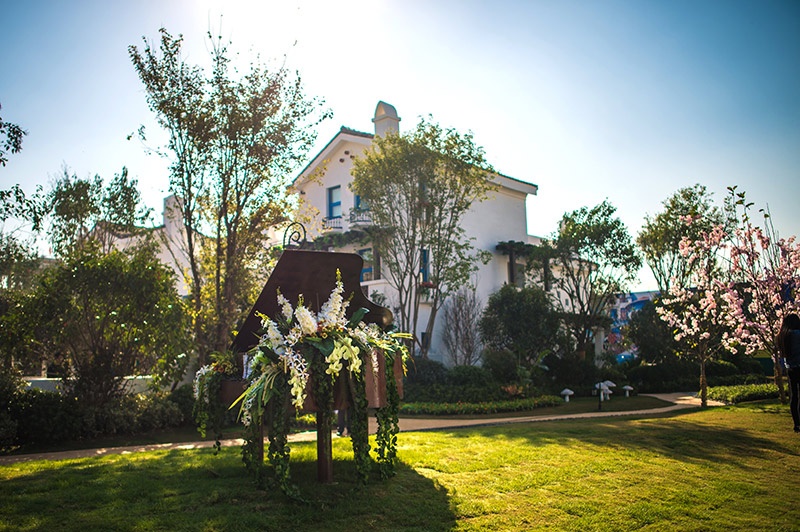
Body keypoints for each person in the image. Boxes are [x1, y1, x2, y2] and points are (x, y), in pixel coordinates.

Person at [778, 313, 800, 433]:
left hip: (791, 368)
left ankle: (796, 424)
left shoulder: (783, 336)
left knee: (794, 396)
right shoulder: (797, 334)